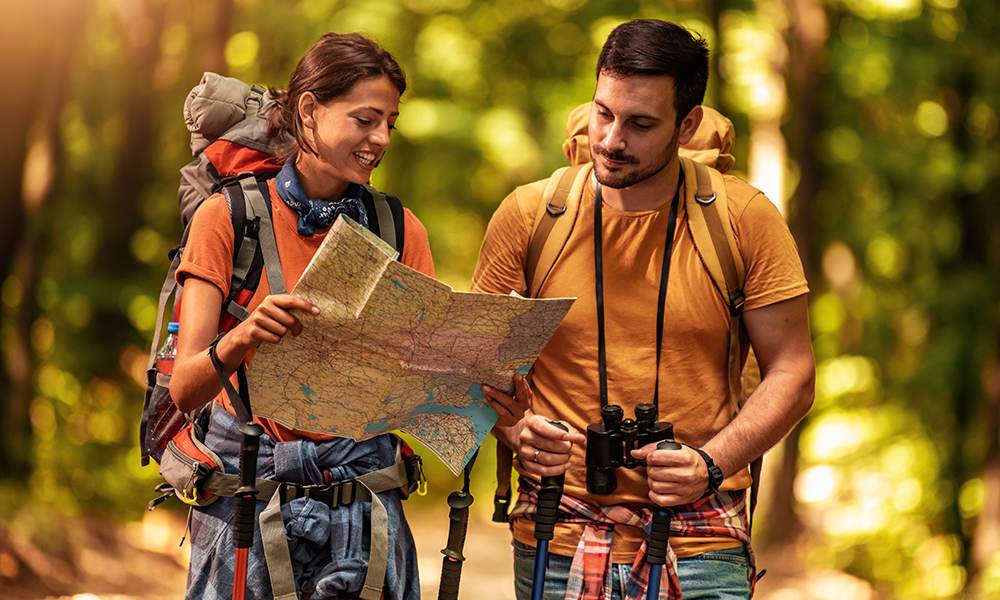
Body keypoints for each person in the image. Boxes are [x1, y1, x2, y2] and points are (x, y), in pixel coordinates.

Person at [169, 32, 526, 600]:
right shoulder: (228, 218)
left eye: (390, 123)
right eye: (365, 119)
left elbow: (428, 400)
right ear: (309, 109)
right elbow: (185, 389)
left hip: (367, 509)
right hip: (249, 507)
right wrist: (243, 337)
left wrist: (493, 400)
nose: (380, 138)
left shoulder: (399, 229)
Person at [474, 19, 816, 600]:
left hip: (702, 537)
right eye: (603, 113)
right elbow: (474, 365)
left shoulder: (743, 218)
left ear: (687, 124)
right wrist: (514, 430)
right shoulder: (530, 216)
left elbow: (794, 371)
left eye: (640, 124)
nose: (611, 140)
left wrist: (710, 463)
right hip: (557, 528)